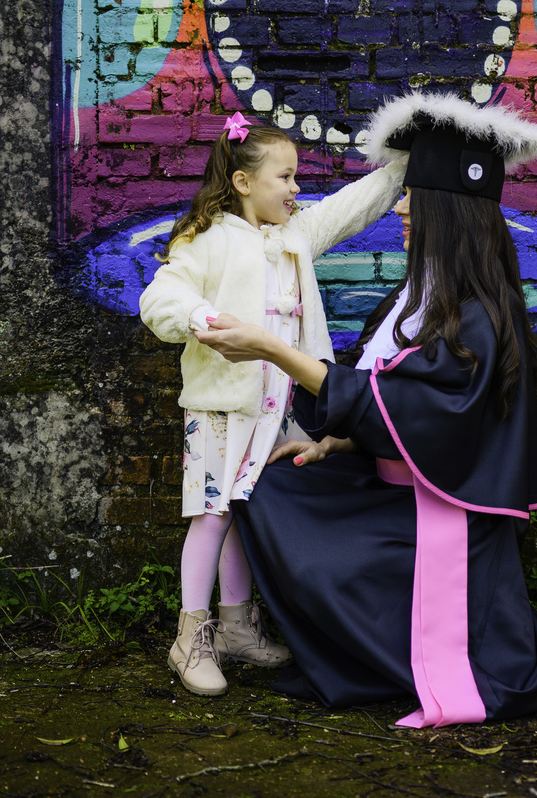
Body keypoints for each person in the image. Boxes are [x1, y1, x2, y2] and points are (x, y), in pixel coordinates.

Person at [194, 93, 537, 726]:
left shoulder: (484, 314)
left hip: (443, 510)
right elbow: (401, 405)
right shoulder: (419, 289)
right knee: (265, 481)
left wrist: (273, 348)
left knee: (315, 547)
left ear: (449, 213)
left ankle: (378, 654)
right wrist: (338, 443)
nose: (402, 208)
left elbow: (427, 413)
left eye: (415, 198)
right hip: (397, 478)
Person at [138, 112, 407, 696]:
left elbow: (351, 206)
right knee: (211, 515)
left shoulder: (293, 236)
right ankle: (190, 635)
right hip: (221, 408)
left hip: (275, 409)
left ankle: (237, 625)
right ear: (242, 182)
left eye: (296, 179)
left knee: (245, 512)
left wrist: (404, 167)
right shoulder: (205, 238)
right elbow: (161, 296)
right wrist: (203, 318)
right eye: (284, 178)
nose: (295, 189)